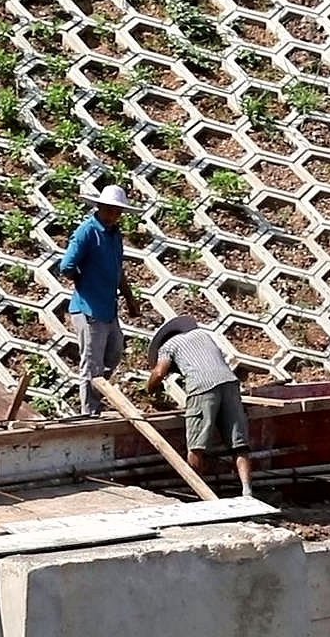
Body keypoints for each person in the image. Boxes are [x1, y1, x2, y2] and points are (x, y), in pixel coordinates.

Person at [145, 315, 256, 499]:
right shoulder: (203, 335)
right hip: (229, 382)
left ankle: (200, 494)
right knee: (239, 444)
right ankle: (247, 492)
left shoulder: (168, 346)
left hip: (202, 387)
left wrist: (148, 388)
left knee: (196, 446)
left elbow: (159, 372)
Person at [56, 184, 141, 416]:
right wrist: (84, 283)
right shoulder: (87, 231)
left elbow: (117, 269)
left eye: (117, 211)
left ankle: (96, 396)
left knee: (114, 353)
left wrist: (130, 299)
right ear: (100, 206)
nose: (114, 214)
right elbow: (66, 266)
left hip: (108, 308)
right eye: (110, 209)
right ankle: (89, 412)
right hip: (89, 309)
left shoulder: (114, 235)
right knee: (91, 364)